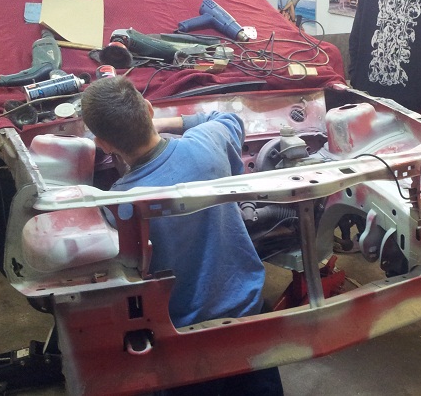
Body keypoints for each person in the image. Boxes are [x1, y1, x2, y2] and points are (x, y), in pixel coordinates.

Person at [81, 76, 283, 396]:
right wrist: (165, 122)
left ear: (103, 144)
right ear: (149, 110)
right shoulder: (209, 142)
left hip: (183, 336)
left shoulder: (117, 205)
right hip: (248, 313)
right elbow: (226, 117)